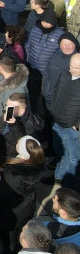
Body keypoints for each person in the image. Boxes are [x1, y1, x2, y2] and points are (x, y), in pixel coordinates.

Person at [52, 54, 80, 185]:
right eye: (70, 66)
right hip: (57, 123)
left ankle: (71, 184)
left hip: (72, 128)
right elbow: (56, 92)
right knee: (60, 152)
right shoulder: (65, 75)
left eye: (75, 68)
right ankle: (59, 177)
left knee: (74, 158)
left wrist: (77, 124)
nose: (71, 70)